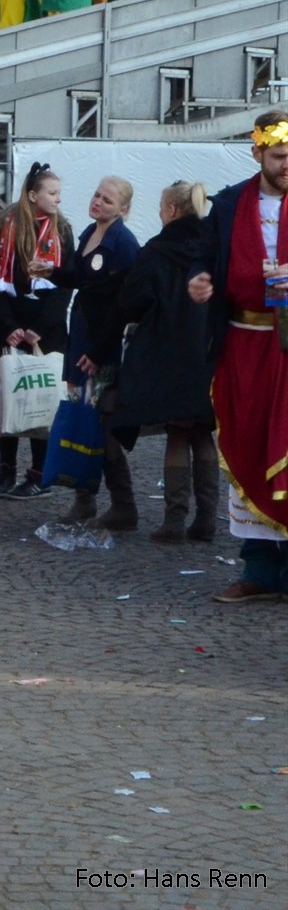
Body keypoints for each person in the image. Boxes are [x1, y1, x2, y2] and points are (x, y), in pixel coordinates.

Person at [189, 111, 288, 602]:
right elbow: (203, 255)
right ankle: (260, 571)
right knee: (246, 445)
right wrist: (200, 278)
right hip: (243, 343)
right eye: (279, 157)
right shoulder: (230, 204)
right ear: (259, 154)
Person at [117, 181, 218, 543]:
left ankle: (174, 520)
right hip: (209, 351)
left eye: (161, 207)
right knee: (204, 430)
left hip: (170, 351)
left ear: (172, 211)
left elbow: (133, 301)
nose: (160, 213)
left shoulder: (158, 250)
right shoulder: (215, 246)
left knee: (178, 432)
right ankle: (207, 517)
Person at [0, 162, 74, 500]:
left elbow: (65, 285)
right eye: (52, 193)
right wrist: (8, 327)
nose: (58, 200)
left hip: (45, 330)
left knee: (41, 401)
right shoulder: (4, 227)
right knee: (8, 398)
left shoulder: (61, 231)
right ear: (33, 195)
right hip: (9, 325)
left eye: (59, 194)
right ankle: (5, 471)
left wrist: (36, 328)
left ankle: (38, 474)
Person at [55, 176, 142, 530]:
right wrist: (53, 273)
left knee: (102, 424)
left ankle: (123, 504)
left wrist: (99, 350)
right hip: (81, 335)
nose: (97, 202)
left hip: (101, 343)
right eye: (96, 194)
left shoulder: (123, 243)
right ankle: (84, 498)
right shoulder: (91, 232)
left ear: (123, 209)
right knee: (80, 417)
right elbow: (79, 276)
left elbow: (121, 304)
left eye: (107, 200)